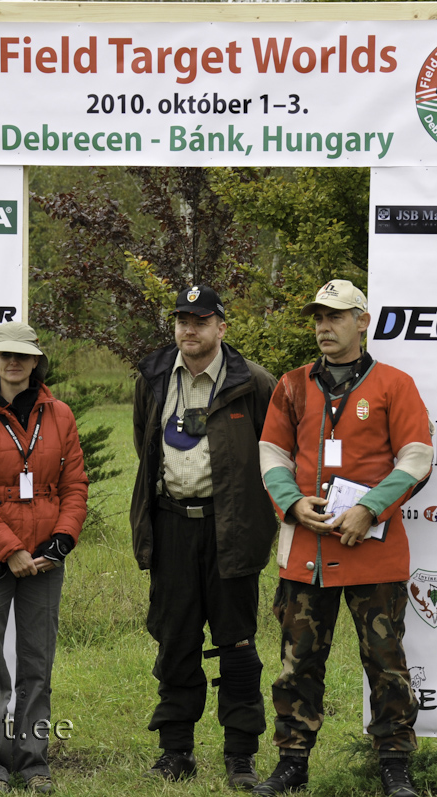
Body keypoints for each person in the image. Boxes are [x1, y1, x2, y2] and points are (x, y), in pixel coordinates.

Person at [254, 280, 434, 797]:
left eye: (334, 317)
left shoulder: (394, 385)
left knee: (386, 665)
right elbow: (271, 454)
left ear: (362, 321)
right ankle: (292, 763)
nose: (323, 327)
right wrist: (291, 502)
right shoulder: (291, 384)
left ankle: (395, 767)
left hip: (371, 554)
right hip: (305, 553)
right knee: (297, 664)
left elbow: (417, 457)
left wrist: (369, 507)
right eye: (317, 317)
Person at [130, 285, 278, 790]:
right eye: (182, 320)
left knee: (236, 641)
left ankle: (240, 755)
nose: (189, 330)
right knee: (176, 638)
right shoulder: (151, 378)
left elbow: (275, 454)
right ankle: (176, 751)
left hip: (231, 528)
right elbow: (144, 446)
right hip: (171, 524)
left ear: (221, 327)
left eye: (200, 320)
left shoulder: (253, 383)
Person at [0, 322, 89, 795]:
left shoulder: (61, 415)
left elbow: (75, 487)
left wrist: (62, 541)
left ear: (36, 362)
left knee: (37, 664)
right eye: (4, 355)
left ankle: (33, 763)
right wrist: (10, 549)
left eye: (22, 355)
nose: (13, 362)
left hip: (45, 564)